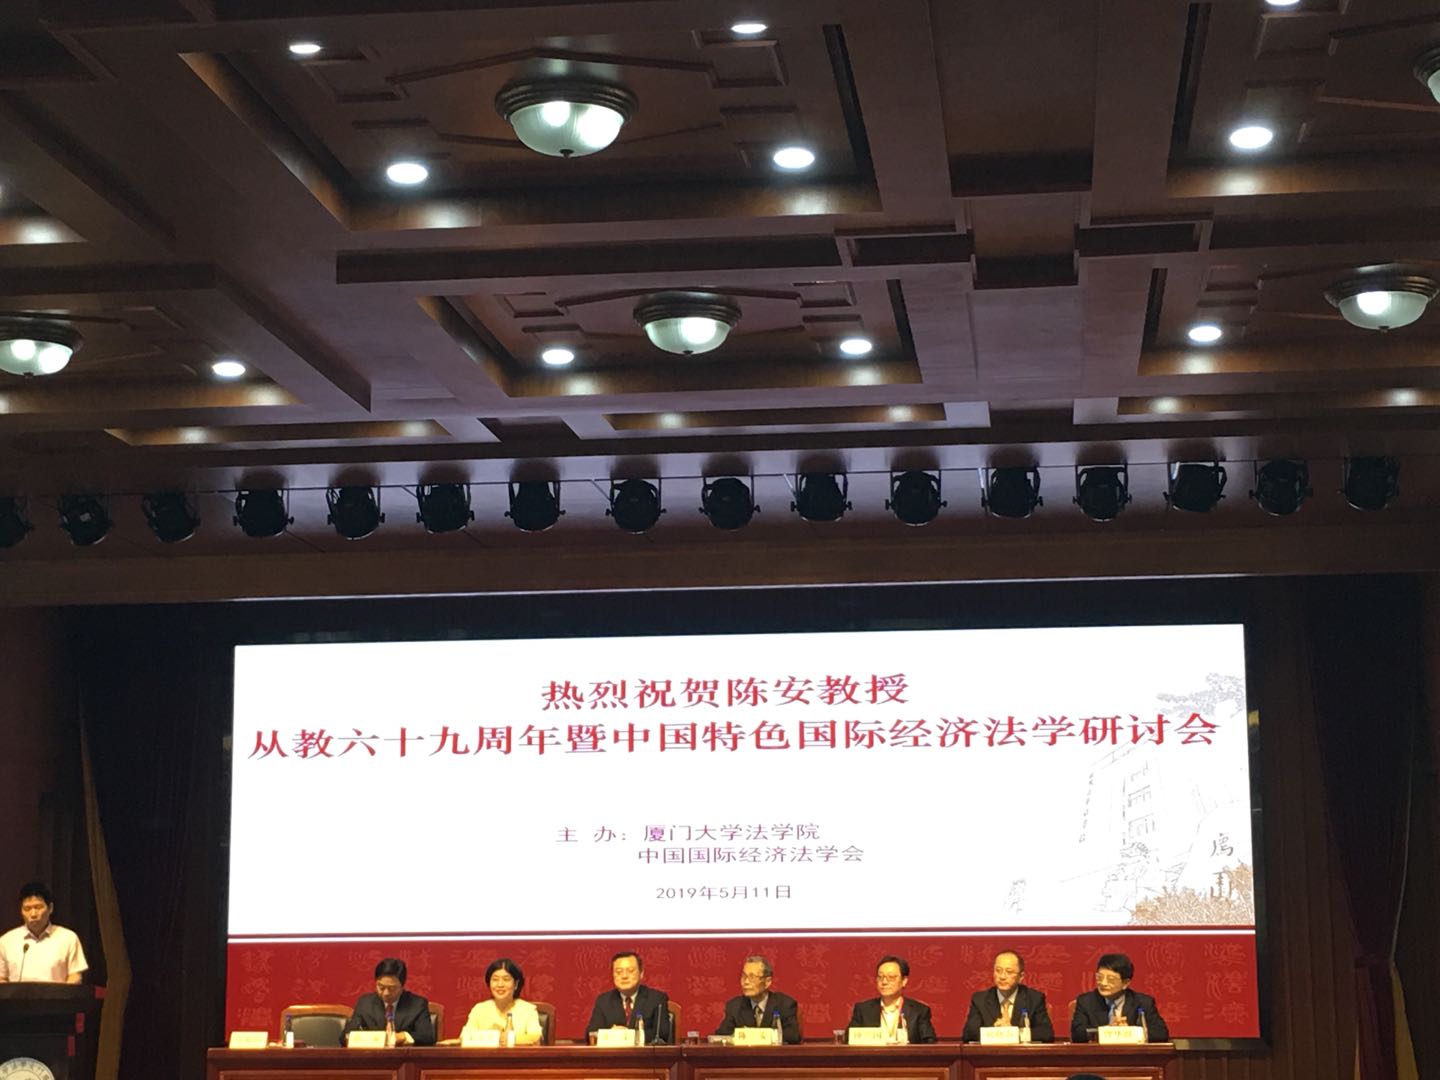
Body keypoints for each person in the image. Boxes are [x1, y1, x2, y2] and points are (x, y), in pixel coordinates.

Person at [1070, 953, 1170, 1042]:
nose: (1103, 983)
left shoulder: (1143, 1002)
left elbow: (1161, 1034)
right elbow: (1077, 1034)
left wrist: (1128, 1032)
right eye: (1099, 978)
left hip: (1132, 1055)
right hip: (1097, 1055)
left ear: (1125, 983)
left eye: (1111, 979)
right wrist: (1109, 1031)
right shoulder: (1086, 1001)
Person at [0, 882, 87, 984]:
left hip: (57, 994)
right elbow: (1, 978)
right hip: (18, 995)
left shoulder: (68, 938)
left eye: (38, 907)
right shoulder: (6, 941)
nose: (33, 914)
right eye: (27, 909)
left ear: (50, 908)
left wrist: (61, 994)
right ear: (21, 911)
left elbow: (75, 976)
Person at [961, 950, 1054, 1042]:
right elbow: (969, 1034)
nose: (1002, 977)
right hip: (991, 1051)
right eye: (998, 971)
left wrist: (1012, 1033)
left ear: (1021, 976)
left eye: (1009, 972)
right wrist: (997, 1032)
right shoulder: (980, 999)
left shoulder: (1034, 998)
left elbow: (1046, 1033)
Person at [342, 957, 436, 1046]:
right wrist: (372, 1038)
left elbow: (427, 1037)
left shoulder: (417, 1004)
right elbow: (345, 1036)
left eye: (392, 988)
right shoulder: (365, 1003)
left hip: (404, 1056)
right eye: (381, 987)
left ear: (402, 986)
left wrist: (404, 1036)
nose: (386, 993)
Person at [846, 955, 938, 1043]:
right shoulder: (863, 1010)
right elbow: (848, 1040)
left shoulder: (919, 1011)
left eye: (891, 977)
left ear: (904, 981)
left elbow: (929, 1044)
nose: (884, 982)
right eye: (880, 977)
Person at [586, 950, 671, 1044]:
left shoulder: (656, 999)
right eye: (618, 972)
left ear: (641, 973)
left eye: (630, 971)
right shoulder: (603, 1001)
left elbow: (662, 1033)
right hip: (613, 1053)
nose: (624, 976)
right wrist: (613, 1034)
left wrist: (625, 1035)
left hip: (645, 1053)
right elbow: (592, 1033)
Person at [714, 955, 801, 1043]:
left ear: (767, 982)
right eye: (744, 976)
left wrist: (751, 1035)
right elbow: (721, 1037)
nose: (746, 982)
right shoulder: (735, 1006)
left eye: (752, 977)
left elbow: (793, 1036)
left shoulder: (785, 1004)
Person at [461, 957, 544, 1045]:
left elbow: (535, 1038)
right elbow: (464, 1038)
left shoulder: (528, 1010)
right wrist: (493, 1036)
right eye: (495, 979)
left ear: (516, 984)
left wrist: (508, 1038)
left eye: (506, 979)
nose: (500, 985)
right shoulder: (479, 1009)